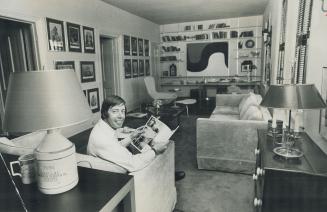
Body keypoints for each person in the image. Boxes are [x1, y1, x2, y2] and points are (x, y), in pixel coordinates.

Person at [87, 95, 168, 172]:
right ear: (105, 113)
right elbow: (133, 163)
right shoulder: (102, 138)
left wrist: (132, 136)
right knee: (156, 153)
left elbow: (115, 147)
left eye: (123, 111)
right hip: (117, 176)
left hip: (111, 166)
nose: (121, 116)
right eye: (115, 111)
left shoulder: (102, 127)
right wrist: (155, 150)